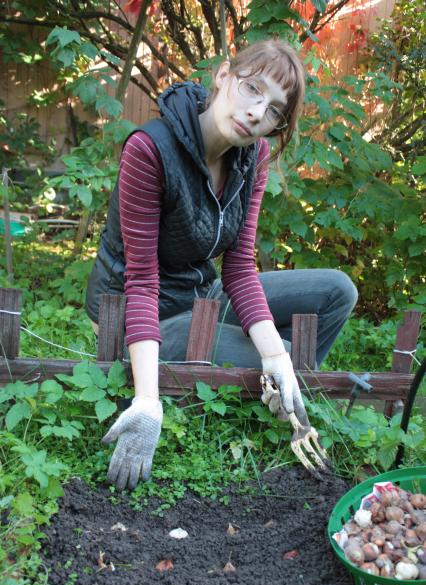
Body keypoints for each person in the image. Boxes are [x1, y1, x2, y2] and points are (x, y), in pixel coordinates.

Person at [85, 38, 358, 491]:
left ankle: (272, 385)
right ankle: (244, 392)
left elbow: (238, 267)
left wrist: (277, 356)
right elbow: (141, 282)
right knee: (280, 356)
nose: (257, 113)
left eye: (274, 110)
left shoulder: (253, 156)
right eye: (253, 89)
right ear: (224, 76)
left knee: (337, 292)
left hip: (201, 296)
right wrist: (148, 400)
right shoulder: (149, 150)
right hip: (143, 317)